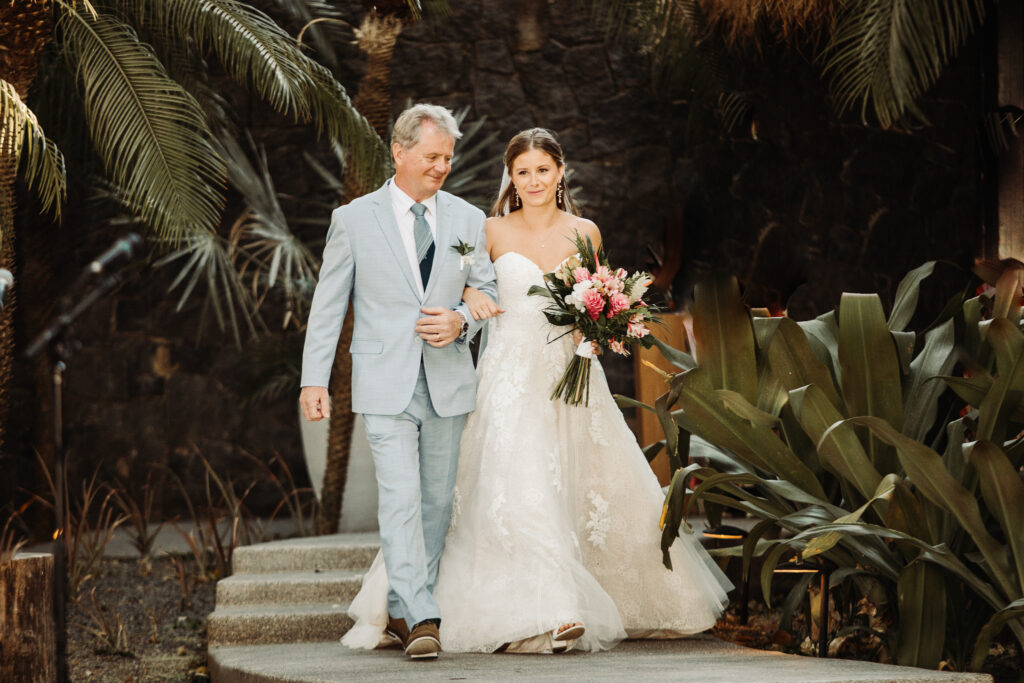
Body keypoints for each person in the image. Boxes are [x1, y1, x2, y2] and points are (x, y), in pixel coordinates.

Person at [342, 128, 732, 655]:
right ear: (511, 178)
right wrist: (462, 312)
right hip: (509, 377)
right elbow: (466, 288)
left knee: (579, 482)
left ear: (560, 172)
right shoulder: (489, 230)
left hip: (573, 377)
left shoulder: (586, 231)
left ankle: (592, 598)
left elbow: (596, 299)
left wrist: (599, 334)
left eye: (542, 170)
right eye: (522, 172)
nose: (533, 181)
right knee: (522, 486)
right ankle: (553, 609)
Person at [299, 103, 497, 661]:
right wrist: (314, 379)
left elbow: (487, 291)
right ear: (399, 151)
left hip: (448, 379)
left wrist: (461, 319)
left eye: (448, 159)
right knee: (401, 498)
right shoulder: (354, 219)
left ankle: (409, 609)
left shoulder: (466, 219)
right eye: (432, 157)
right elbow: (328, 305)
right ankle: (423, 615)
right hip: (384, 380)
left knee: (435, 502)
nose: (441, 168)